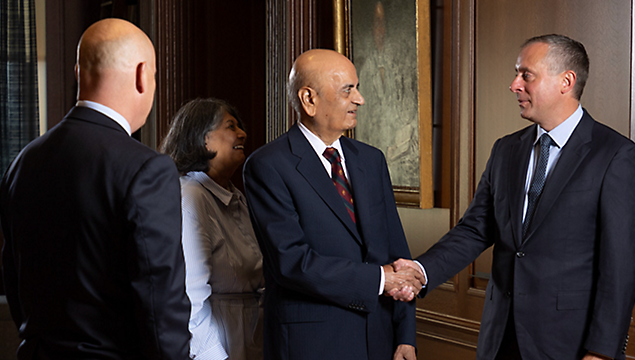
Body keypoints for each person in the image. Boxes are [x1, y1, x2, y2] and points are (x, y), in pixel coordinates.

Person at [393, 34, 635, 360]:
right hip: (500, 338)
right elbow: (475, 229)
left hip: (570, 345)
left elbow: (620, 266)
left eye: (526, 75)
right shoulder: (506, 149)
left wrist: (602, 352)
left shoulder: (616, 155)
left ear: (566, 81)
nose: (514, 85)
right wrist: (421, 271)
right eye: (516, 73)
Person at [0, 18, 190, 359]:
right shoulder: (147, 168)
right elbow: (159, 304)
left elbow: (14, 283)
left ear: (78, 73)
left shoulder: (22, 163)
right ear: (142, 75)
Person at [242, 49, 424, 360]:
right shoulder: (267, 166)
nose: (360, 99)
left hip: (379, 339)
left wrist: (405, 336)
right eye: (348, 90)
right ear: (309, 99)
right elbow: (292, 262)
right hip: (313, 343)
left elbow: (397, 253)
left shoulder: (371, 159)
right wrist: (380, 280)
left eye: (357, 87)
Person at [161, 98, 264, 360]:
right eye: (231, 126)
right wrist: (214, 356)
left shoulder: (235, 196)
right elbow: (189, 299)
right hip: (219, 345)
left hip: (248, 337)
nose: (243, 133)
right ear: (204, 139)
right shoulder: (191, 196)